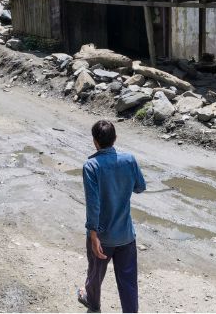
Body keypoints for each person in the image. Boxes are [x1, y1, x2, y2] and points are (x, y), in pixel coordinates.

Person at [77, 120, 146, 313]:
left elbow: (93, 204)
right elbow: (140, 187)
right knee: (128, 281)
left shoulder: (91, 166)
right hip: (126, 235)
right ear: (115, 139)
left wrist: (93, 235)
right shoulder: (129, 159)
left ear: (95, 142)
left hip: (103, 237)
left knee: (95, 275)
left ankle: (94, 306)